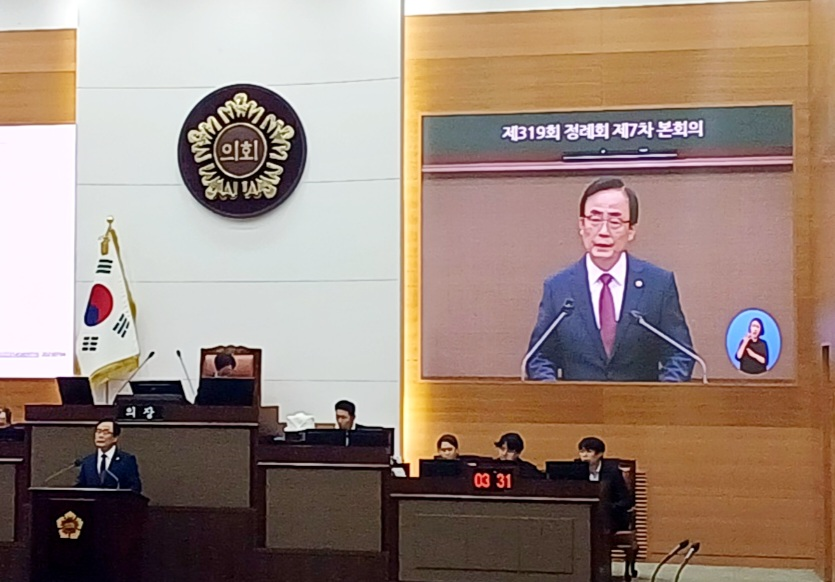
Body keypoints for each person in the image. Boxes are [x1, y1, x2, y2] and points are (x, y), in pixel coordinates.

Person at [525, 177, 695, 382]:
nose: (603, 232)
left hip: (641, 409)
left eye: (615, 221)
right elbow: (539, 357)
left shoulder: (658, 284)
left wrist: (660, 400)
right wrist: (554, 394)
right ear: (582, 225)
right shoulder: (558, 287)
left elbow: (680, 354)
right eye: (595, 220)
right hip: (575, 410)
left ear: (631, 230)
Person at [578, 437, 632, 531]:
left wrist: (606, 508)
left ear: (600, 454)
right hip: (582, 515)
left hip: (610, 517)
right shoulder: (575, 469)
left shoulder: (612, 472)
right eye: (582, 452)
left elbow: (625, 501)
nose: (584, 455)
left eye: (589, 452)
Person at [76, 419, 142, 493]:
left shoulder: (127, 460)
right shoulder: (87, 461)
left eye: (106, 432)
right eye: (98, 431)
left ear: (115, 438)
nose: (100, 435)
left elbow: (135, 488)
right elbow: (80, 488)